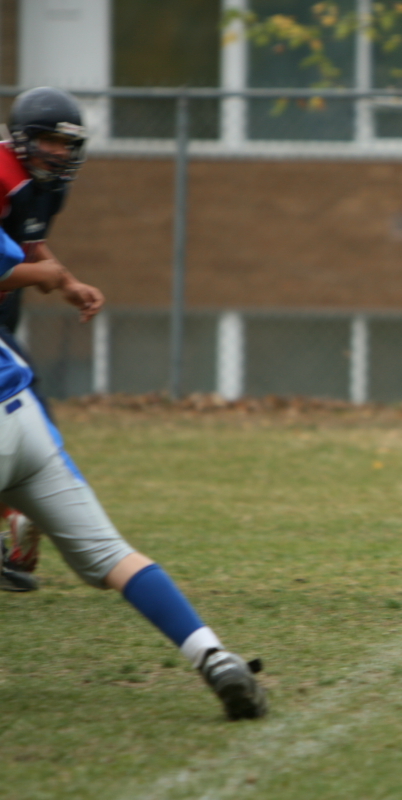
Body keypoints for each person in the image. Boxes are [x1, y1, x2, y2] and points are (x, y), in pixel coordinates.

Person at [0, 214, 267, 717]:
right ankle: (213, 657)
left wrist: (48, 275)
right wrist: (53, 275)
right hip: (24, 416)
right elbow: (11, 266)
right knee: (113, 555)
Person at [0, 87, 105, 592]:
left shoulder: (44, 187)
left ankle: (16, 515)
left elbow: (30, 244)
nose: (60, 153)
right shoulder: (3, 176)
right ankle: (22, 509)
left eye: (67, 144)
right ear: (22, 140)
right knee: (28, 407)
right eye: (49, 141)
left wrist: (68, 284)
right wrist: (39, 275)